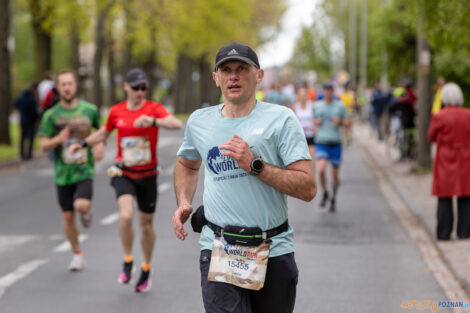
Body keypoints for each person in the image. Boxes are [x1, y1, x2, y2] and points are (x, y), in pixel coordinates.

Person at [172, 42, 316, 313]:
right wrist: (183, 201)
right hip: (218, 248)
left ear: (258, 75)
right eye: (226, 70)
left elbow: (307, 188)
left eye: (242, 69)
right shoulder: (199, 121)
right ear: (216, 78)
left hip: (272, 249)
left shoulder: (282, 120)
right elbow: (186, 165)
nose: (233, 76)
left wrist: (255, 165)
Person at [69, 68, 183, 292]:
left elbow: (176, 124)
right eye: (136, 88)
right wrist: (82, 144)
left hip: (148, 173)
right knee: (126, 215)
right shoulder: (116, 111)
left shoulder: (153, 109)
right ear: (126, 87)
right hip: (124, 172)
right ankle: (128, 260)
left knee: (146, 224)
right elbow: (103, 132)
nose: (140, 92)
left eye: (143, 88)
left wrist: (152, 121)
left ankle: (146, 267)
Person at [38, 70, 104, 271]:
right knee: (67, 216)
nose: (67, 87)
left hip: (84, 169)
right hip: (62, 173)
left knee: (81, 206)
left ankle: (85, 210)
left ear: (76, 86)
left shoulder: (89, 110)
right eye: (63, 84)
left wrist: (100, 146)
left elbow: (101, 131)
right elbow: (43, 145)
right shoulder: (51, 115)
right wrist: (58, 140)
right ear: (58, 88)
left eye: (70, 84)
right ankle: (77, 253)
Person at [428, 82, 470, 240]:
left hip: (446, 157)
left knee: (444, 196)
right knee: (466, 195)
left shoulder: (439, 116)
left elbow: (431, 136)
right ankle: (465, 231)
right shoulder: (468, 114)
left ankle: (444, 232)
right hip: (466, 156)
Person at [314, 82, 350, 212]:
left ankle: (334, 197)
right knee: (321, 170)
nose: (328, 92)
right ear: (323, 91)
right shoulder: (318, 106)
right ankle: (324, 192)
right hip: (322, 142)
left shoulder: (340, 106)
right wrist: (316, 122)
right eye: (326, 90)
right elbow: (311, 120)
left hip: (335, 143)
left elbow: (348, 122)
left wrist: (340, 122)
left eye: (330, 90)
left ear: (333, 91)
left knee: (335, 176)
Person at [14, 82, 39, 160]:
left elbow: (15, 104)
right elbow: (33, 112)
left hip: (23, 119)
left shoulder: (22, 95)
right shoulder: (32, 98)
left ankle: (22, 154)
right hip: (30, 120)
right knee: (30, 137)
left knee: (23, 137)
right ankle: (29, 154)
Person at [293, 86, 316, 160]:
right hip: (300, 136)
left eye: (304, 95)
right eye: (301, 95)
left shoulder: (312, 105)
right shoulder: (295, 107)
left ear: (307, 96)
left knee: (311, 158)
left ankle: (313, 172)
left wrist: (315, 127)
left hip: (310, 135)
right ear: (298, 96)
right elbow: (292, 122)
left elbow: (316, 118)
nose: (303, 97)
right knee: (302, 160)